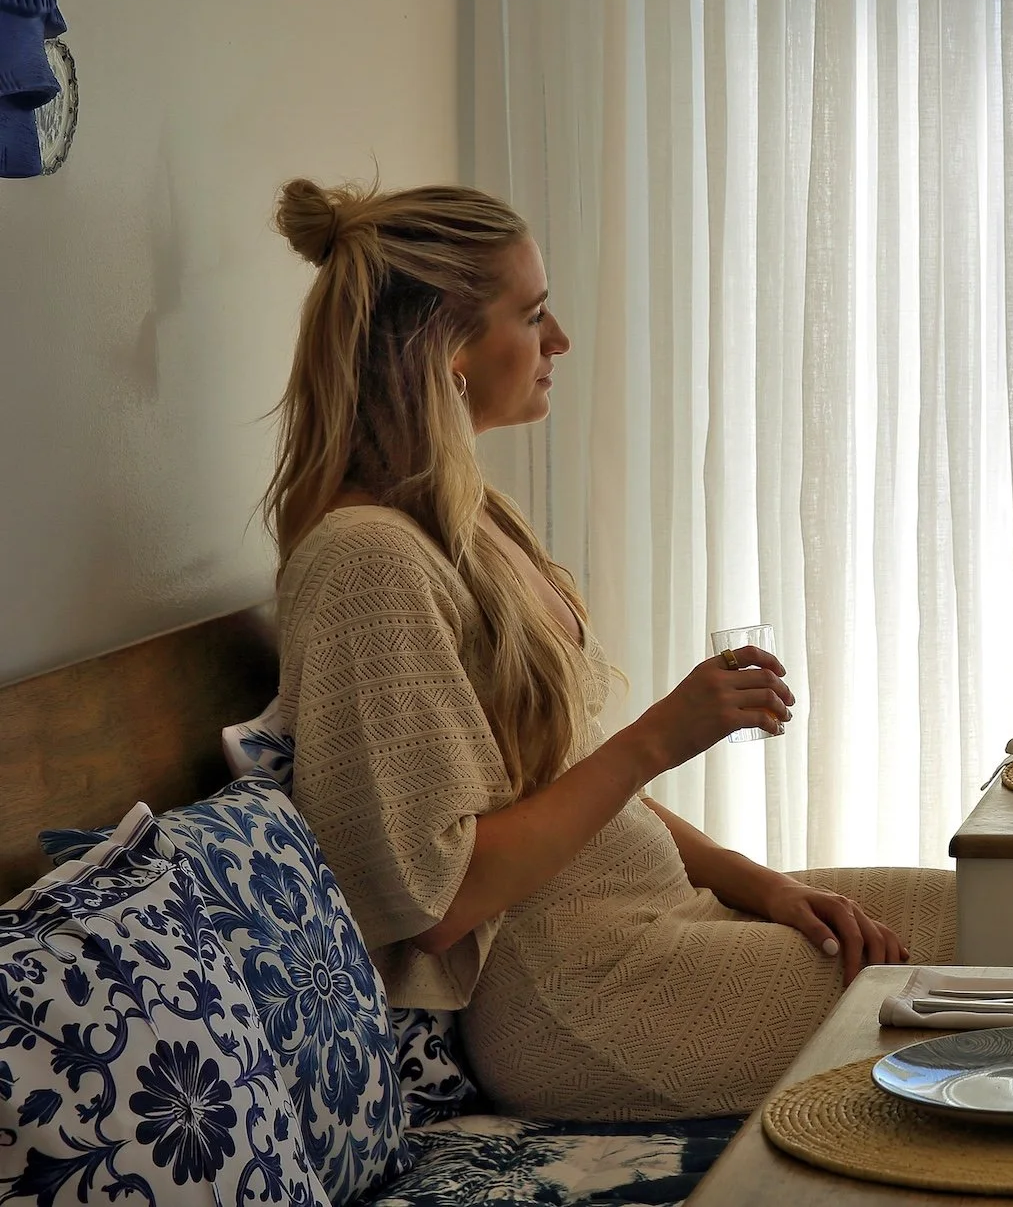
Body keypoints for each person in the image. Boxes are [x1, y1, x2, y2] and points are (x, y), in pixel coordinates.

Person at [262, 179, 955, 1120]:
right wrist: (659, 737)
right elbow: (439, 901)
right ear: (446, 349)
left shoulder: (462, 522)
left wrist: (763, 884)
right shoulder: (366, 563)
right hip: (586, 997)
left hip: (664, 922)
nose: (560, 342)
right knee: (995, 995)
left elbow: (562, 781)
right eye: (533, 314)